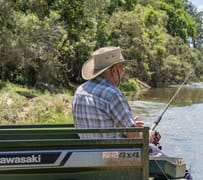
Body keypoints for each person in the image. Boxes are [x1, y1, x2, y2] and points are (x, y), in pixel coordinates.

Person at [72, 46, 191, 179]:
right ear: (113, 70)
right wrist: (149, 134)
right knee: (181, 171)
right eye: (122, 67)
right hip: (116, 159)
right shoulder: (112, 94)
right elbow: (134, 136)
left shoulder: (80, 91)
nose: (123, 72)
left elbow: (101, 123)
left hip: (87, 157)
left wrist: (130, 125)